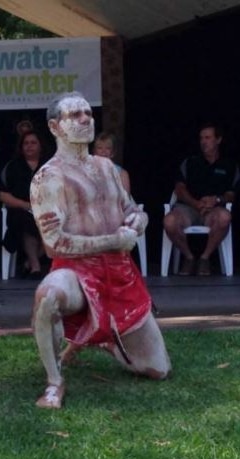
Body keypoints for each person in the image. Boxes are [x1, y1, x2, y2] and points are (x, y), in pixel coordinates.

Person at [29, 91, 171, 409]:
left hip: (119, 272)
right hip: (76, 271)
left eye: (88, 114)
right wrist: (113, 241)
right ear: (55, 127)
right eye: (75, 115)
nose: (85, 119)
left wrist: (137, 222)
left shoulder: (107, 168)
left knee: (157, 371)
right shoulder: (47, 178)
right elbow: (53, 245)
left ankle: (104, 340)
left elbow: (133, 210)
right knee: (47, 296)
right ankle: (54, 381)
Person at [163, 123, 239, 276]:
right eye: (201, 138)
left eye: (208, 138)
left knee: (225, 217)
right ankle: (189, 258)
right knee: (169, 222)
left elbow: (231, 195)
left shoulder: (230, 165)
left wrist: (216, 200)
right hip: (189, 207)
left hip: (214, 209)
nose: (204, 141)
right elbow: (179, 189)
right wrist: (196, 203)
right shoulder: (190, 162)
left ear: (218, 140)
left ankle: (205, 258)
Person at [0, 129, 48, 278]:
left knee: (59, 224)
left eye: (33, 143)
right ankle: (36, 267)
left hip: (47, 210)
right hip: (20, 210)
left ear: (40, 146)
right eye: (26, 143)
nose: (29, 146)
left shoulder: (51, 166)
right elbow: (2, 195)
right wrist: (25, 205)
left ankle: (28, 263)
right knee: (25, 221)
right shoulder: (12, 167)